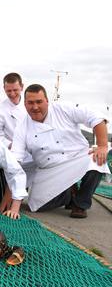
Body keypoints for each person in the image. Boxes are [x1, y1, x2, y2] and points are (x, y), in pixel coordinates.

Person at [11, 83, 111, 218]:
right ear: (25, 104)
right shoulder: (22, 127)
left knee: (97, 160)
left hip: (77, 159)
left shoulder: (64, 108)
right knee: (36, 205)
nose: (35, 107)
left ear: (47, 101)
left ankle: (81, 204)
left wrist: (103, 146)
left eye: (39, 102)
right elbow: (15, 161)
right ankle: (70, 194)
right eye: (30, 103)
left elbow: (96, 118)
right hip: (49, 170)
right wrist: (10, 195)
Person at [0, 72, 37, 188]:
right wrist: (11, 144)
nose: (12, 94)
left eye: (15, 90)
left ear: (22, 87)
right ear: (4, 89)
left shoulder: (32, 104)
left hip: (33, 151)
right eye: (8, 91)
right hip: (13, 152)